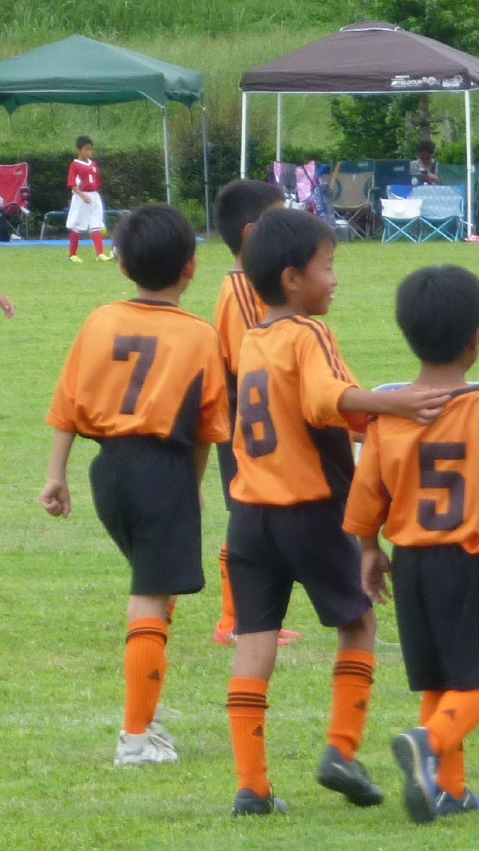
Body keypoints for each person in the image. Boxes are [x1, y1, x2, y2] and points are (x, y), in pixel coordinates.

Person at [223, 208, 450, 816]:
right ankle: (342, 750)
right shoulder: (308, 334)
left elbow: (304, 410)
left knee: (254, 642)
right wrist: (397, 403)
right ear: (293, 278)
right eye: (328, 267)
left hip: (248, 515)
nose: (336, 279)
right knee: (359, 623)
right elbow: (328, 401)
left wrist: (372, 416)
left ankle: (252, 787)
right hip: (311, 509)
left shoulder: (252, 340)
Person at [344, 265, 479, 823]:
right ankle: (427, 745)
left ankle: (448, 791)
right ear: (476, 338)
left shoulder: (390, 413)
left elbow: (367, 490)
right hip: (466, 563)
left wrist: (368, 549)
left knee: (440, 680)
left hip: (410, 564)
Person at [40, 204, 229, 765]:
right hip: (161, 471)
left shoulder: (100, 320)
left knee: (158, 585)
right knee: (150, 594)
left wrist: (55, 475)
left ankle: (147, 710)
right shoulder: (199, 336)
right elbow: (207, 428)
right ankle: (137, 738)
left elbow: (67, 403)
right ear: (192, 267)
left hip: (108, 474)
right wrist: (192, 484)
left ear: (122, 266)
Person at [209, 179, 302, 648]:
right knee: (246, 518)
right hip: (246, 424)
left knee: (258, 519)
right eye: (277, 218)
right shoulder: (242, 290)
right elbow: (257, 363)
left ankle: (251, 617)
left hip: (253, 421)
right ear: (251, 234)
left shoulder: (252, 285)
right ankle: (233, 620)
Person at [66, 136, 111, 263]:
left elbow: (96, 181)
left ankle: (100, 253)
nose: (89, 152)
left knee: (96, 224)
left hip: (94, 196)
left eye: (90, 150)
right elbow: (72, 184)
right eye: (86, 150)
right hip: (81, 197)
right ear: (79, 150)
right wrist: (82, 195)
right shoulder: (75, 165)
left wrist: (95, 193)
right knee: (78, 225)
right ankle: (72, 254)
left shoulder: (93, 165)